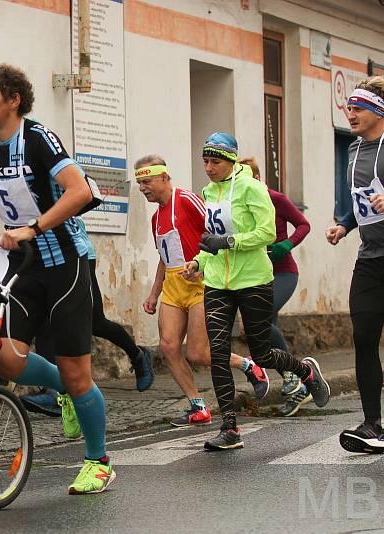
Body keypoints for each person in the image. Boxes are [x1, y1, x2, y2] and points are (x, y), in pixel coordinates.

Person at [0, 64, 114, 494]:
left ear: (13, 99)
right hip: (23, 266)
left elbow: (81, 191)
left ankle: (98, 460)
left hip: (66, 264)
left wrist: (34, 228)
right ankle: (64, 393)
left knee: (78, 371)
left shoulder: (39, 139)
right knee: (7, 356)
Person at [181, 132, 330, 450]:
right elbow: (213, 239)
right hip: (218, 282)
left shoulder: (252, 188)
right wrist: (199, 261)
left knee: (261, 352)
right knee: (218, 352)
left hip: (254, 279)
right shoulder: (210, 192)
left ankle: (305, 370)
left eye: (215, 161)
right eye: (205, 161)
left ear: (230, 160)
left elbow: (265, 233)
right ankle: (230, 429)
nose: (208, 167)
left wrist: (230, 242)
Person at [137, 155, 269, 427]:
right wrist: (154, 294)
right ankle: (197, 406)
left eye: (147, 181)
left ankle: (249, 366)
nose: (143, 188)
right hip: (174, 284)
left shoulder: (187, 200)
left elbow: (214, 229)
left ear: (164, 177)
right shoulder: (155, 218)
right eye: (139, 183)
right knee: (168, 346)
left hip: (201, 279)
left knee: (198, 353)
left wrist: (204, 263)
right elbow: (164, 256)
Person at [22, 216, 155, 417]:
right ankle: (53, 393)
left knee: (95, 322)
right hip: (43, 254)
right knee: (45, 323)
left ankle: (137, 355)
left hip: (76, 252)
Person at [325, 76, 384, 454]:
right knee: (364, 338)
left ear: (378, 112)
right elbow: (363, 201)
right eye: (349, 108)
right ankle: (373, 428)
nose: (350, 114)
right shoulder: (353, 150)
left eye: (357, 109)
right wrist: (344, 226)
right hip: (371, 260)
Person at [238, 157, 313, 416]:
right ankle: (299, 384)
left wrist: (288, 244)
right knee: (269, 326)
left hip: (283, 274)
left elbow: (304, 224)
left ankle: (294, 374)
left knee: (259, 321)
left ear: (257, 178)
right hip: (256, 276)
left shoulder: (275, 198)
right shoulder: (239, 204)